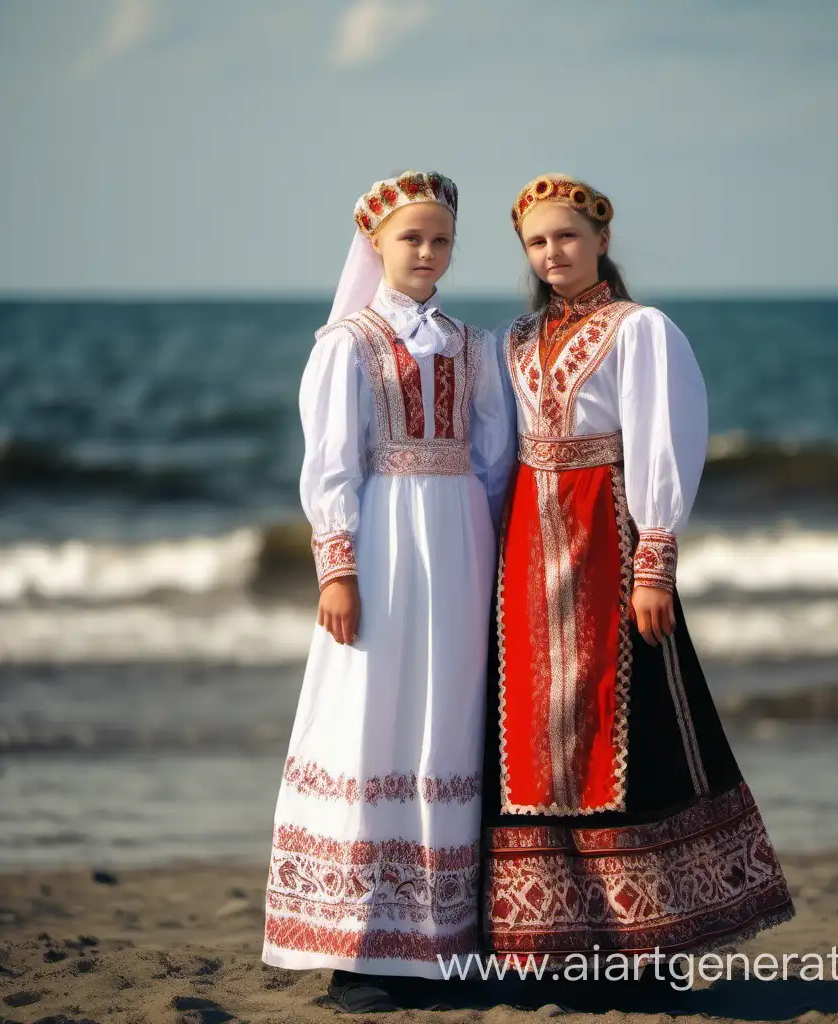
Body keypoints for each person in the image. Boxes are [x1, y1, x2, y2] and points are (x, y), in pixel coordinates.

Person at [480, 173, 795, 979]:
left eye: (567, 237)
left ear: (601, 242)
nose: (553, 253)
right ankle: (550, 944)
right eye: (538, 242)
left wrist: (654, 562)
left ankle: (645, 947)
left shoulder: (640, 330)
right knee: (531, 738)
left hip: (605, 540)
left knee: (616, 720)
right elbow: (496, 455)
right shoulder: (514, 339)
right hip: (526, 550)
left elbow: (665, 437)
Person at [262, 171, 513, 1012]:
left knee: (449, 718)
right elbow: (330, 464)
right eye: (412, 237)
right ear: (376, 244)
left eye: (441, 238)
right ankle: (363, 945)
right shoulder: (348, 344)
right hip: (383, 543)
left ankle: (442, 941)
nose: (428, 252)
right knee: (373, 716)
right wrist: (337, 565)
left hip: (460, 547)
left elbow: (494, 463)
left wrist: (495, 553)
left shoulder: (474, 345)